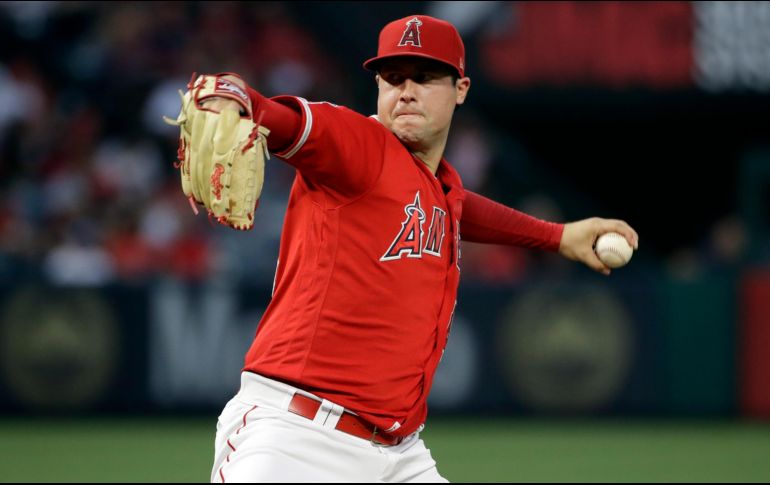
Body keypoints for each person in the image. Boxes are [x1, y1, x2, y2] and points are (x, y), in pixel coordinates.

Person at [203, 15, 639, 483]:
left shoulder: (435, 186)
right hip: (296, 439)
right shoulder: (357, 146)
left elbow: (460, 208)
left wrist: (555, 236)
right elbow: (289, 123)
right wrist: (240, 98)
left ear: (461, 88)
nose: (406, 90)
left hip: (400, 456)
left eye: (425, 77)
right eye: (393, 78)